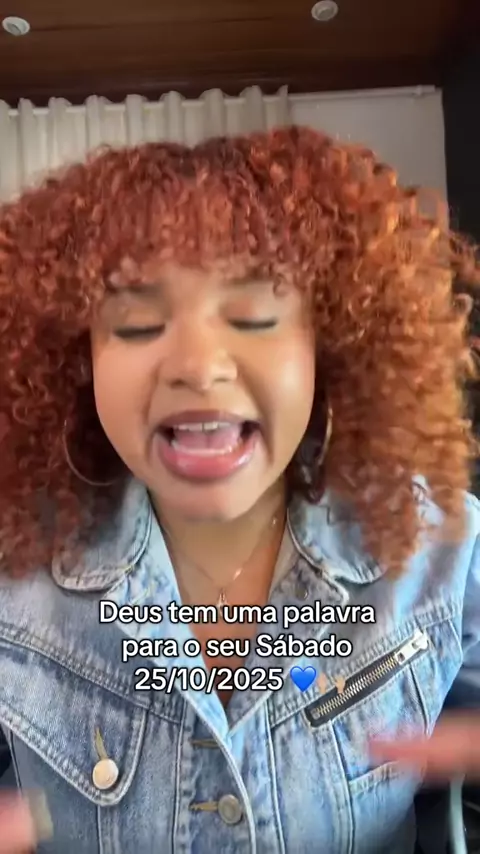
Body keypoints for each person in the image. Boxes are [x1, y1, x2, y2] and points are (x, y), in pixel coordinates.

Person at [0, 125, 479, 854]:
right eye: (138, 323)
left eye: (254, 315)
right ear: (79, 361)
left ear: (328, 344)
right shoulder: (14, 570)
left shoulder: (441, 547)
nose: (198, 364)